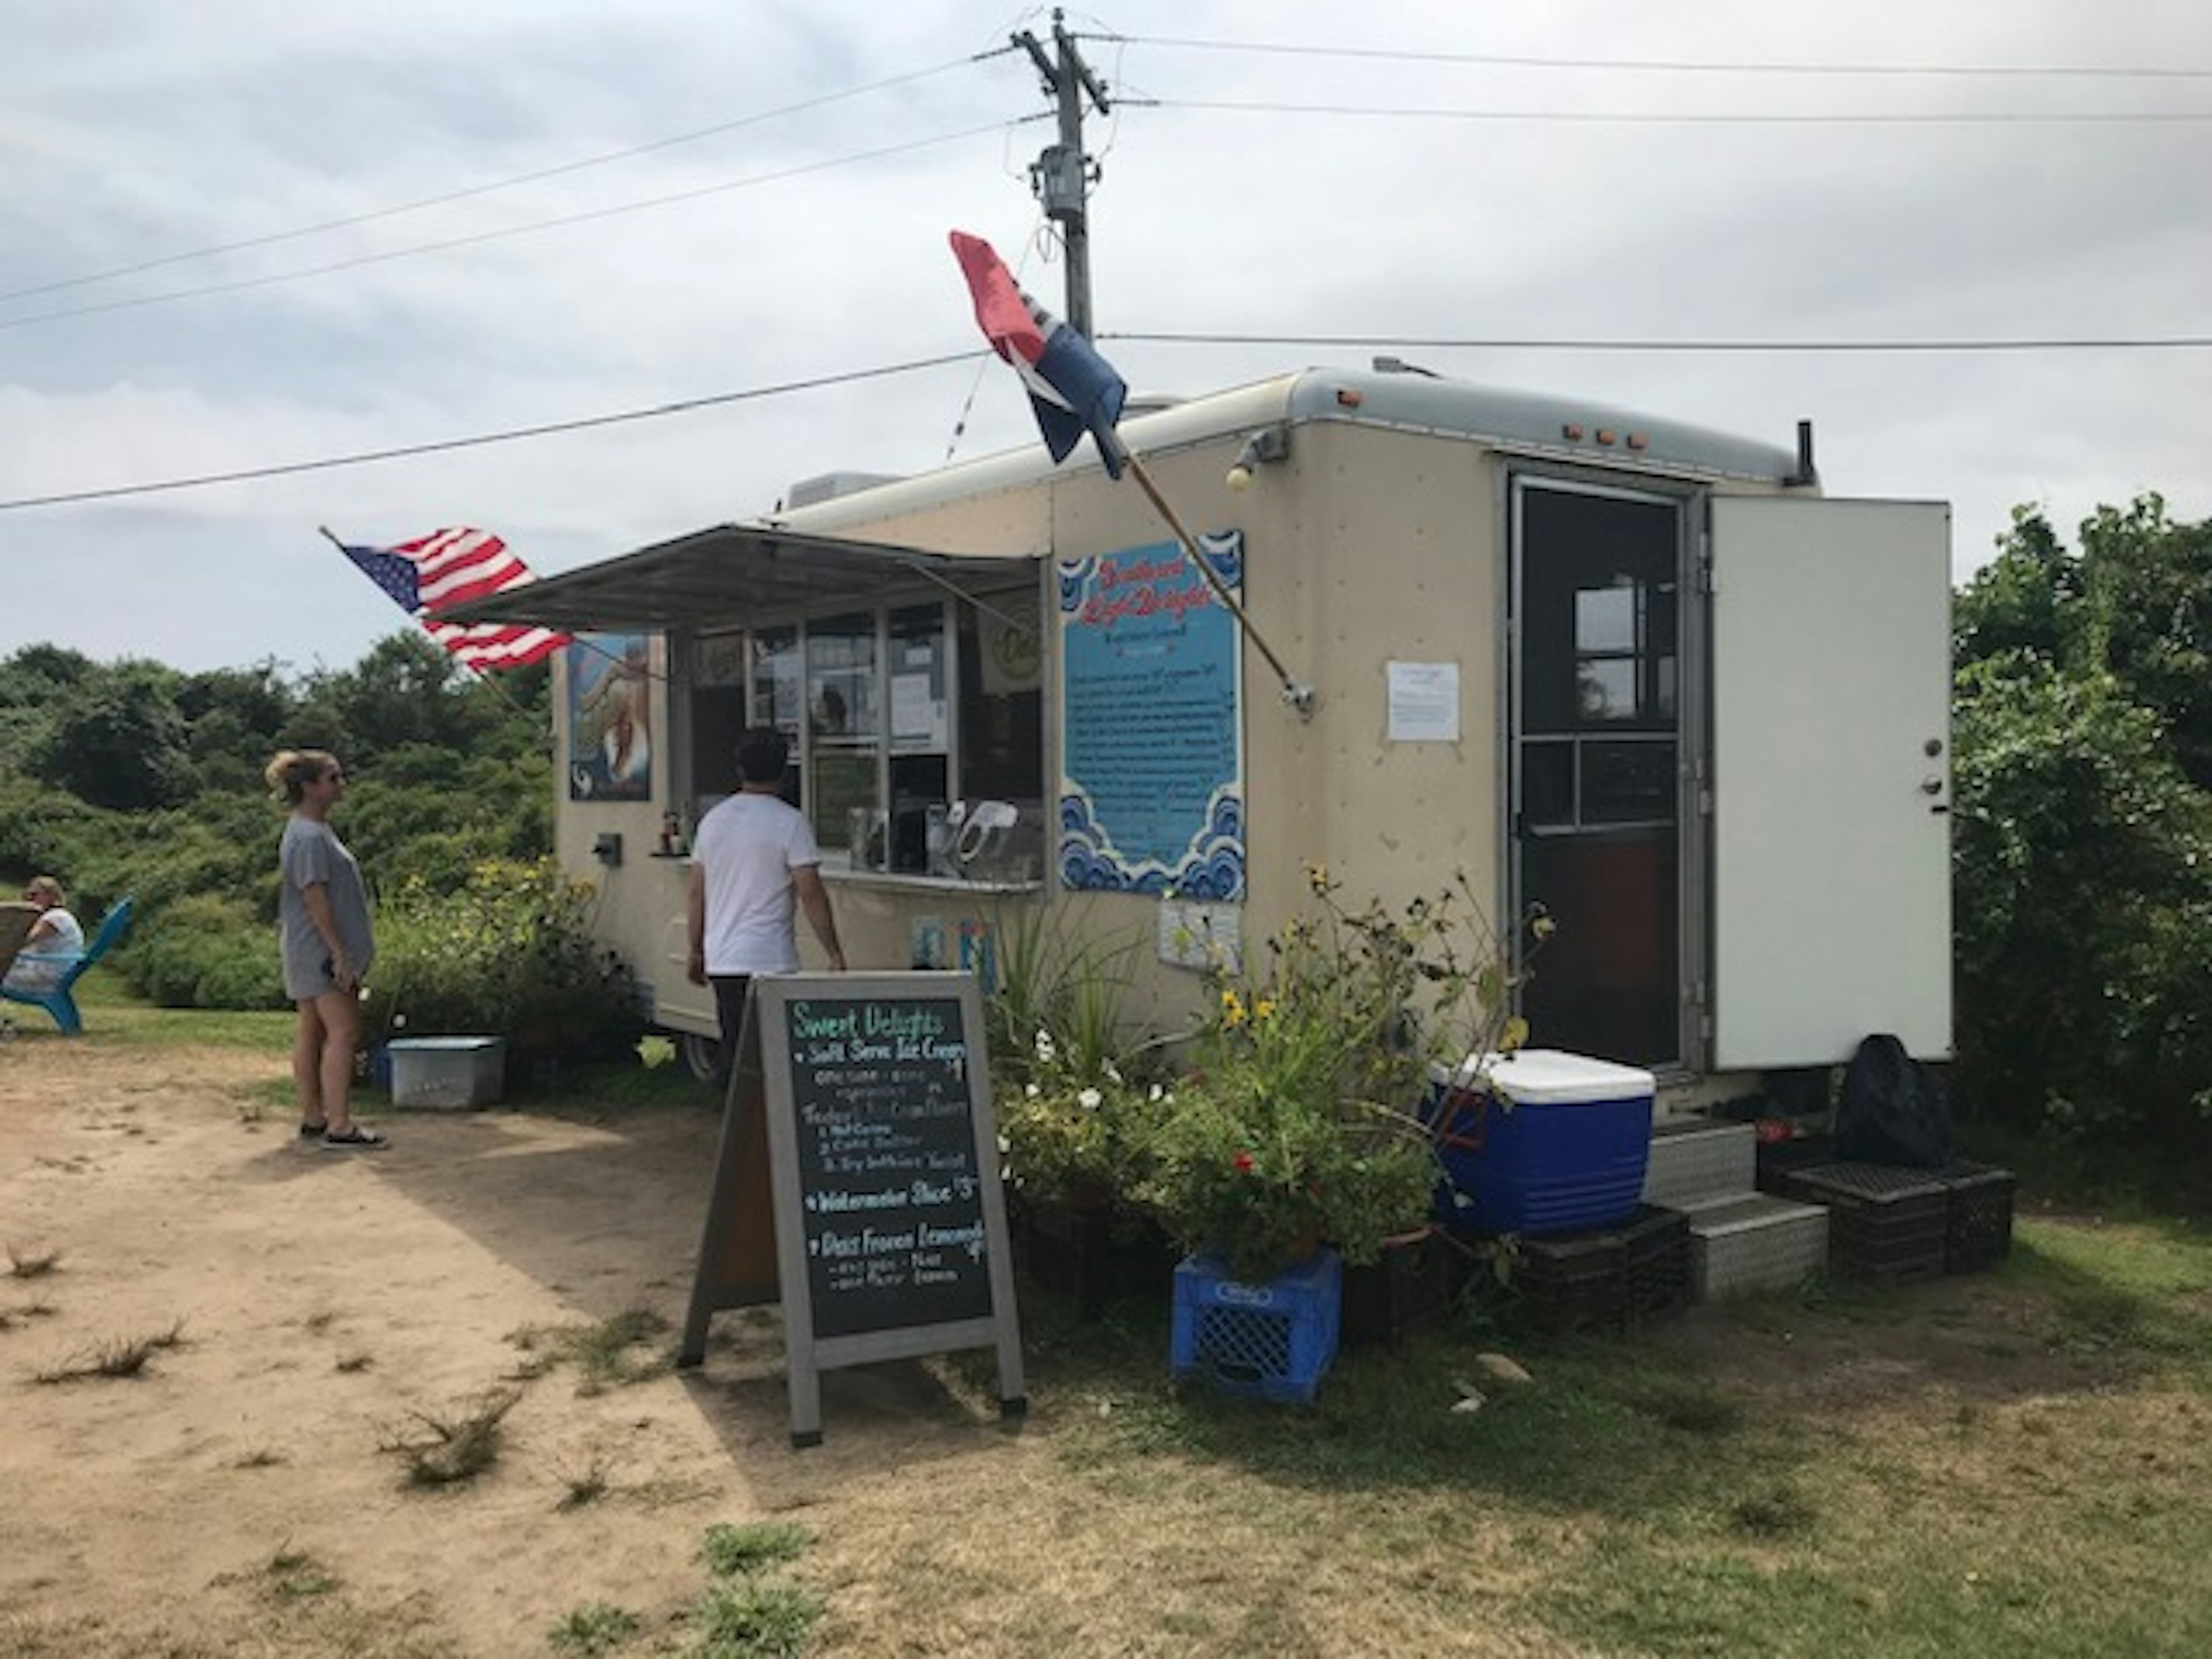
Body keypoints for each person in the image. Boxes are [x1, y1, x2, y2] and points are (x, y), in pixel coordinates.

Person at [687, 726, 847, 1081]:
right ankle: (772, 1131)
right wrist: (833, 952)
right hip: (771, 959)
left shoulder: (713, 822)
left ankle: (737, 1130)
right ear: (784, 770)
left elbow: (697, 893)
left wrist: (696, 951)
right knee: (776, 1058)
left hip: (724, 958)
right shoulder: (790, 822)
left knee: (736, 1055)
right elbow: (811, 893)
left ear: (740, 769)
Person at [267, 749, 387, 1149]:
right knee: (343, 1031)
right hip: (318, 951)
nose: (341, 784)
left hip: (307, 948)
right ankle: (339, 1124)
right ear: (309, 787)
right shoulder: (309, 837)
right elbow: (315, 897)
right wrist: (339, 953)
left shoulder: (309, 832)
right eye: (333, 778)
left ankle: (315, 1116)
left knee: (313, 1029)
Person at [3, 876, 86, 993]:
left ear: (51, 896)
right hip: (50, 971)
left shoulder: (55, 918)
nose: (29, 899)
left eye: (34, 895)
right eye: (27, 895)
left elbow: (23, 941)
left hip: (48, 978)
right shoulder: (58, 916)